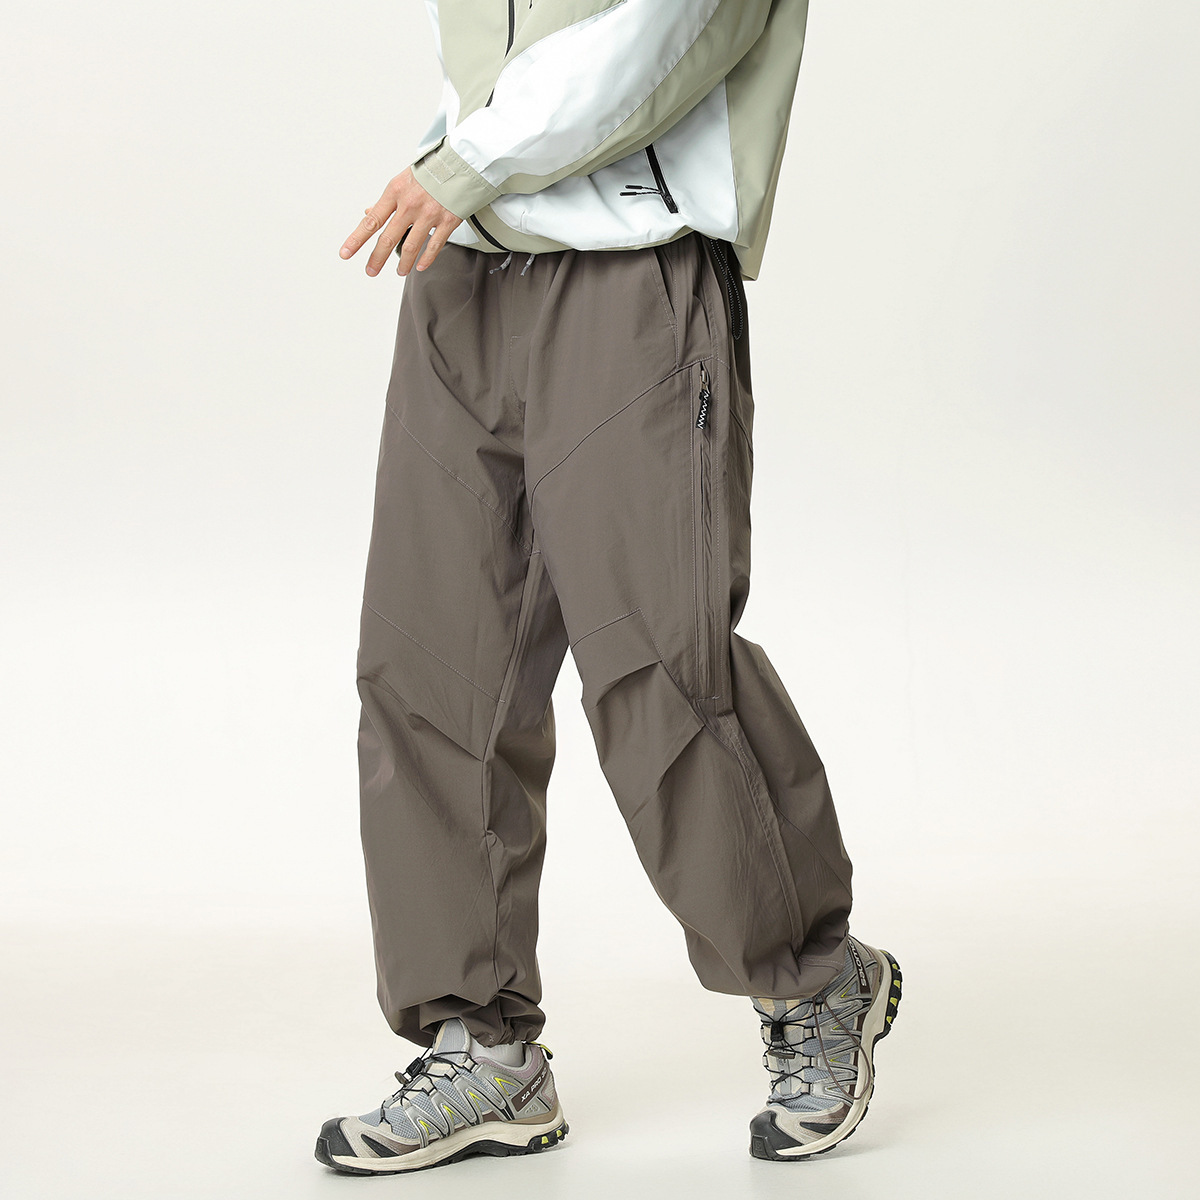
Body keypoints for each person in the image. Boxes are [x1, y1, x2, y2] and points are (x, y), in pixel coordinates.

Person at [316, 0, 901, 1175]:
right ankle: (482, 1047)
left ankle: (813, 977)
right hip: (465, 267)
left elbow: (660, 37)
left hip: (630, 271)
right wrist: (460, 168)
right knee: (430, 670)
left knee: (659, 665)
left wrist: (462, 165)